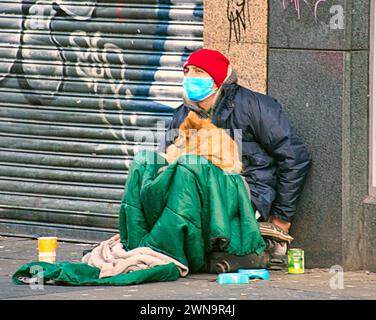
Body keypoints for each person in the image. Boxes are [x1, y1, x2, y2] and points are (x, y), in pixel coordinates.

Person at [159, 49, 312, 255]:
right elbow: (165, 165)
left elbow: (295, 157)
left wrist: (281, 218)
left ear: (216, 79)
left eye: (198, 71)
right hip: (198, 192)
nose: (189, 78)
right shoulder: (182, 114)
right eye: (186, 71)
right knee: (148, 164)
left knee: (190, 171)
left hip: (247, 190)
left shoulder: (255, 107)